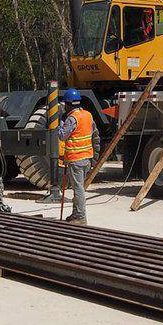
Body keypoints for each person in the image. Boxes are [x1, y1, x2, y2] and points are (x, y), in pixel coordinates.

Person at [57, 88, 100, 225]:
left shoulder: (72, 118)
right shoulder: (87, 115)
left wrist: (60, 124)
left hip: (76, 158)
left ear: (68, 104)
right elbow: (94, 134)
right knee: (78, 187)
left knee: (78, 188)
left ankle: (80, 217)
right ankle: (76, 214)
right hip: (86, 157)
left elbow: (62, 135)